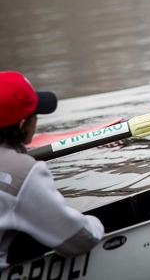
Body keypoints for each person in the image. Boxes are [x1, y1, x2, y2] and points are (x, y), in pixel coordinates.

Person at [0, 71, 104, 267]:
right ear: (23, 124)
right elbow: (81, 241)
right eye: (35, 115)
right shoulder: (23, 171)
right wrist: (98, 224)